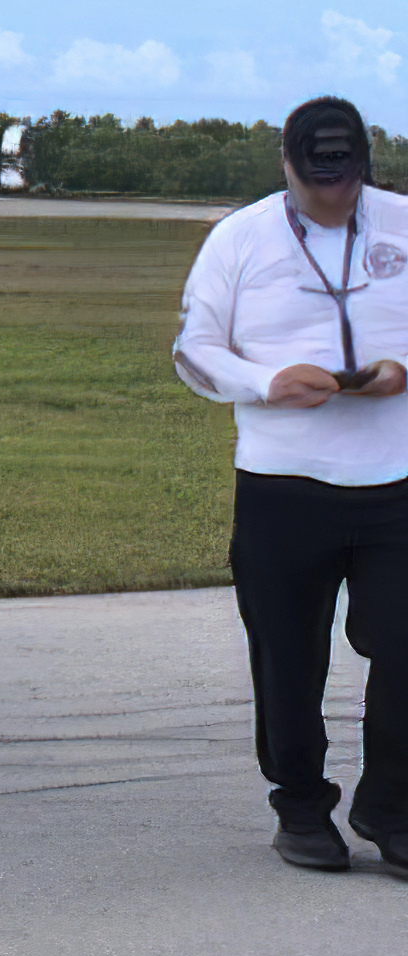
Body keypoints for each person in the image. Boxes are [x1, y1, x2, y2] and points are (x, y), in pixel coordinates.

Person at [175, 94, 408, 872]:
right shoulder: (239, 238)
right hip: (283, 484)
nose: (332, 198)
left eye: (344, 184)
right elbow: (196, 349)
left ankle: (391, 806)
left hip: (396, 481)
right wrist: (268, 380)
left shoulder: (403, 224)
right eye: (315, 185)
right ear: (287, 164)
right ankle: (301, 806)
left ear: (365, 166)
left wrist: (401, 372)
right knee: (286, 654)